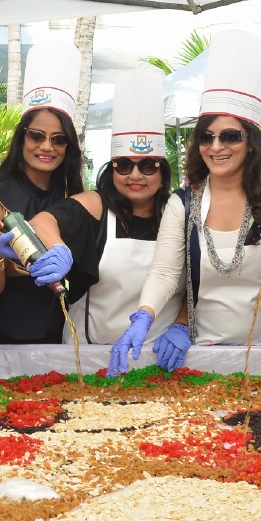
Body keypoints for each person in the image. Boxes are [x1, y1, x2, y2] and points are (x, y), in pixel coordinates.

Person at [108, 31, 261, 384]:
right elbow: (166, 272)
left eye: (230, 136)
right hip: (198, 352)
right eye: (206, 137)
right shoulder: (182, 203)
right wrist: (143, 317)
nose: (216, 146)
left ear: (251, 143)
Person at [28, 69, 179, 343]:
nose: (135, 176)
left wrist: (181, 325)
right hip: (91, 354)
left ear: (162, 172)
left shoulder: (178, 211)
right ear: (112, 170)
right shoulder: (97, 205)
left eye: (147, 165)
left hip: (161, 357)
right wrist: (59, 248)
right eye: (123, 165)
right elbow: (41, 222)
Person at [0, 41, 85, 344]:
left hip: (61, 330)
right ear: (22, 138)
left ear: (69, 147)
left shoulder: (73, 193)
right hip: (6, 334)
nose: (46, 146)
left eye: (58, 139)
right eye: (37, 136)